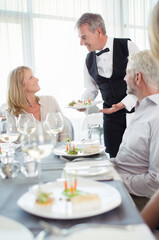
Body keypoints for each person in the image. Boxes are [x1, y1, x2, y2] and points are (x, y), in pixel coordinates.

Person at [76, 13, 139, 158]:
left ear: (98, 31)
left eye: (84, 37)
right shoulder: (88, 59)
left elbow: (141, 82)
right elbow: (91, 89)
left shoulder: (127, 46)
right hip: (110, 118)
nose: (81, 43)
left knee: (137, 159)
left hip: (135, 113)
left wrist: (123, 104)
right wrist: (83, 102)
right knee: (114, 159)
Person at [112, 50, 159, 210]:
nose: (124, 79)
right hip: (124, 189)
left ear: (138, 77)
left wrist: (115, 179)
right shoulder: (143, 108)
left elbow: (155, 183)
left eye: (127, 73)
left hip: (140, 202)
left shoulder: (157, 116)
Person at [7, 66, 68, 142]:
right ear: (20, 85)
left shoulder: (50, 100)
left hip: (56, 152)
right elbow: (15, 144)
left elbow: (64, 132)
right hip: (29, 153)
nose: (37, 79)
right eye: (31, 78)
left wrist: (62, 151)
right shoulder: (13, 112)